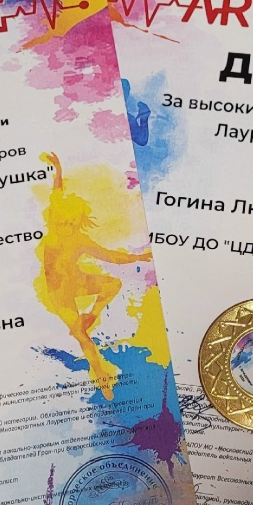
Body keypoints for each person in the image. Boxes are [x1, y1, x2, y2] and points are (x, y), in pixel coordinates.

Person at [34, 152, 150, 399]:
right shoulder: (54, 226)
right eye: (65, 222)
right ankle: (102, 379)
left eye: (72, 223)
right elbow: (57, 192)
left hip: (77, 281)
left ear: (78, 222)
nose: (67, 227)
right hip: (59, 293)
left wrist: (139, 257)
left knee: (113, 284)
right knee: (81, 337)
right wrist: (58, 169)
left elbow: (111, 256)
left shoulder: (80, 240)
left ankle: (91, 316)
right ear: (59, 219)